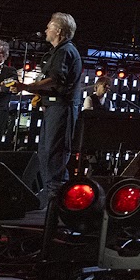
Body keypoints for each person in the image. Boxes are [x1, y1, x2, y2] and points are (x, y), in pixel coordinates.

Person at [20, 13, 83, 205]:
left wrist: (27, 87)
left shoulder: (65, 51)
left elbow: (55, 80)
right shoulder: (55, 53)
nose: (46, 30)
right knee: (46, 151)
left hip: (62, 108)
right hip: (53, 107)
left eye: (49, 27)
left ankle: (55, 197)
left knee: (55, 152)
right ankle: (48, 194)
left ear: (59, 31)